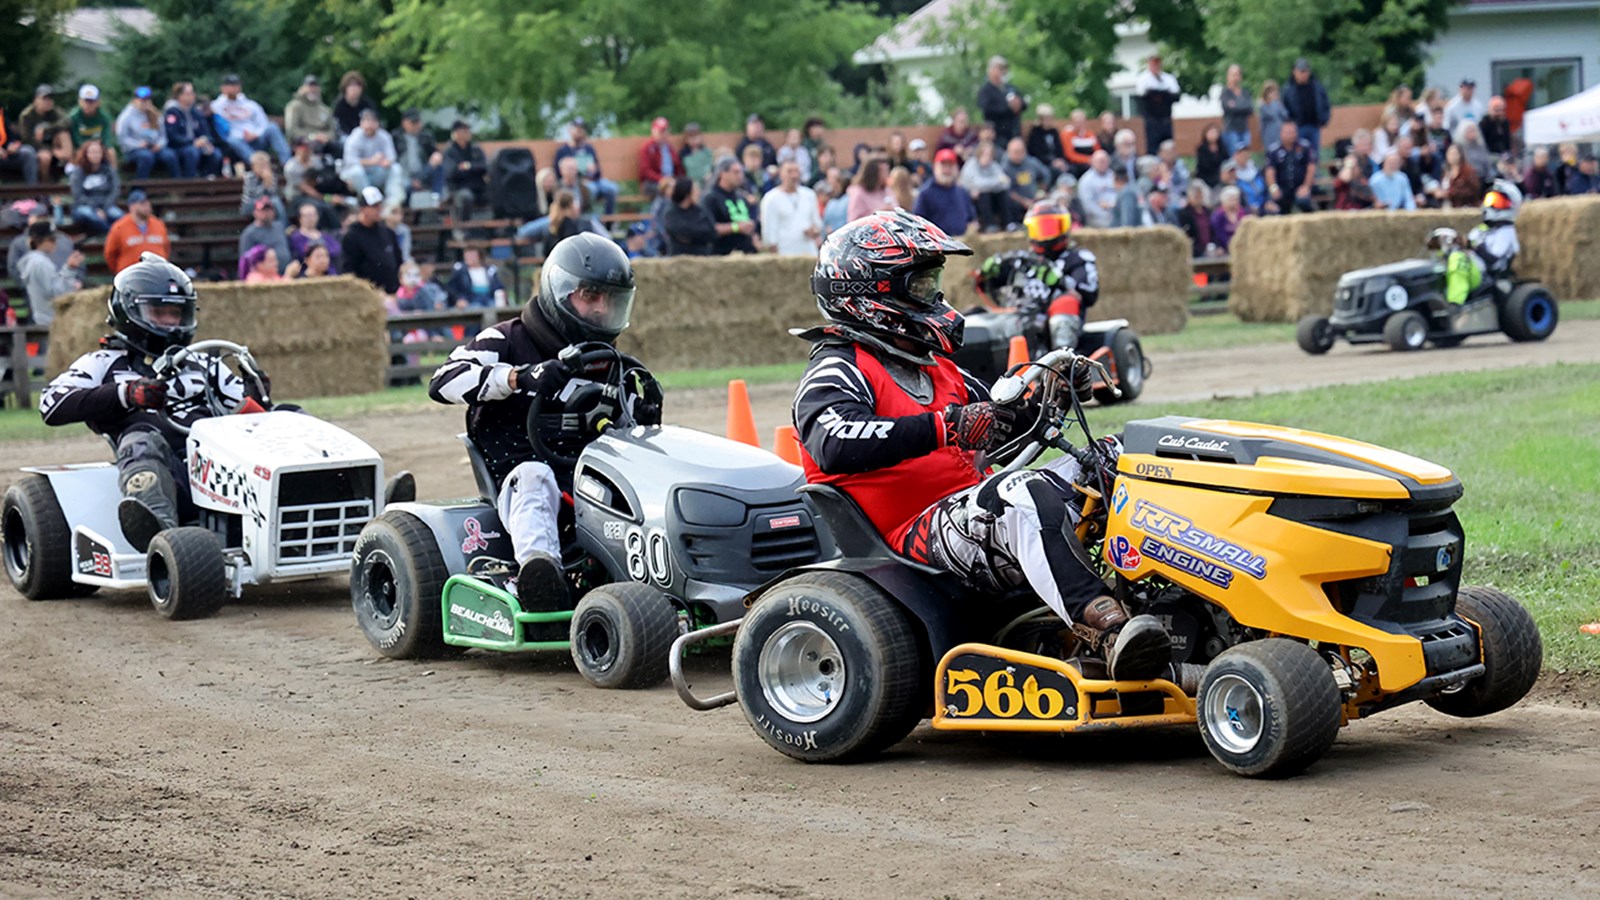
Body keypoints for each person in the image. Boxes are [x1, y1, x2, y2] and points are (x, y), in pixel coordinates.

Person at [794, 209, 1171, 680]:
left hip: (970, 512)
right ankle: (1109, 630)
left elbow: (1003, 425)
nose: (934, 296)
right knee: (1022, 493)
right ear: (871, 293)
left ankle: (1181, 601)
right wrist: (947, 426)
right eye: (921, 285)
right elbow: (832, 440)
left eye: (934, 282)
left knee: (1120, 457)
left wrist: (1050, 395)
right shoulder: (837, 368)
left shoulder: (937, 367)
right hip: (908, 534)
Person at [428, 234, 659, 608]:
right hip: (519, 473)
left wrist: (643, 419)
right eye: (590, 296)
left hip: (587, 477)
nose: (601, 309)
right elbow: (443, 381)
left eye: (610, 299)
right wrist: (518, 378)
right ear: (561, 291)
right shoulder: (506, 339)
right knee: (536, 477)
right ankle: (540, 573)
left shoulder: (609, 360)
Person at [38, 254, 272, 553]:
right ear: (128, 311)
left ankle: (330, 511)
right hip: (171, 474)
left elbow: (252, 417)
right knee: (142, 439)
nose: (171, 323)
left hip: (229, 470)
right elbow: (51, 404)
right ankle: (161, 535)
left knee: (292, 416)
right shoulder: (103, 363)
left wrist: (259, 395)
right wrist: (125, 394)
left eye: (176, 314)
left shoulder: (205, 362)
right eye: (159, 313)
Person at [975, 201, 1100, 352]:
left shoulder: (1077, 257)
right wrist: (986, 274)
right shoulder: (1020, 260)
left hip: (1048, 323)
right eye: (1041, 228)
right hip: (1017, 315)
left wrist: (1060, 281)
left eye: (1051, 227)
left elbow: (1090, 292)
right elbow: (984, 287)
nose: (1046, 235)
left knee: (1066, 302)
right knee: (974, 314)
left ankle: (1063, 360)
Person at [15, 221, 85, 327]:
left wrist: (68, 269)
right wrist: (69, 271)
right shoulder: (40, 263)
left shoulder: (35, 261)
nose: (55, 243)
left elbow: (54, 285)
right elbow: (58, 294)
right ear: (39, 241)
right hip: (50, 322)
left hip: (45, 320)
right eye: (52, 239)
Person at [214, 75, 290, 164]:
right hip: (236, 142)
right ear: (223, 88)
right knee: (232, 140)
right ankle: (258, 164)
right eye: (230, 85)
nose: (234, 88)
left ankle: (287, 163)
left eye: (236, 85)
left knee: (272, 127)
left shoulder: (251, 105)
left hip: (256, 139)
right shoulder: (216, 106)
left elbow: (263, 123)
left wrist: (256, 134)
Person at [343, 186, 404, 293]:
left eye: (380, 205)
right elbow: (349, 270)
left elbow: (398, 260)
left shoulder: (387, 232)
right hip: (368, 295)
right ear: (362, 208)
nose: (379, 209)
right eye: (374, 206)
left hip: (392, 292)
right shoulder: (352, 236)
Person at [554, 118, 619, 215]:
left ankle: (608, 222)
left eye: (582, 129)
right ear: (570, 130)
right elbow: (558, 172)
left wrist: (593, 171)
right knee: (589, 190)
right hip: (577, 183)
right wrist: (578, 175)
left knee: (612, 188)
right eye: (577, 129)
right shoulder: (564, 151)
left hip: (594, 180)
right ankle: (588, 216)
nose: (580, 131)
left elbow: (598, 171)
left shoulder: (589, 148)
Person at [162, 82, 225, 178]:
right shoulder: (172, 112)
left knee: (216, 153)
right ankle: (189, 181)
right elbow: (172, 135)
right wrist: (192, 142)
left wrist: (205, 139)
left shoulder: (195, 112)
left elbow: (206, 131)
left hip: (197, 144)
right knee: (192, 152)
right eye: (188, 94)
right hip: (178, 146)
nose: (192, 96)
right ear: (180, 96)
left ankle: (209, 179)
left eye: (192, 93)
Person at [342, 108, 402, 207]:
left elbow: (391, 157)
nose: (369, 124)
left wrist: (386, 162)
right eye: (366, 121)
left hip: (377, 172)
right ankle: (370, 202)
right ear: (361, 123)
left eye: (372, 121)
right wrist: (370, 161)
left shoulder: (384, 136)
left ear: (377, 123)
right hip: (357, 175)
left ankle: (393, 202)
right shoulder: (354, 137)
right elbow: (349, 160)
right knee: (356, 171)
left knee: (396, 168)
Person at [760, 160, 822, 256]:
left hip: (809, 253)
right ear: (781, 174)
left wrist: (814, 231)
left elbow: (817, 224)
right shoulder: (771, 199)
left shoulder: (809, 195)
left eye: (796, 171)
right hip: (785, 255)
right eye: (789, 171)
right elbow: (769, 233)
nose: (794, 176)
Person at [116, 87, 180, 179]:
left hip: (154, 147)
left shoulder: (155, 114)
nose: (144, 102)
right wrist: (138, 144)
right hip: (134, 150)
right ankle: (139, 187)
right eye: (141, 100)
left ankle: (177, 185)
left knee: (170, 155)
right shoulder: (126, 116)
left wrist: (159, 145)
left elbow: (163, 136)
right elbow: (122, 139)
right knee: (146, 157)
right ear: (135, 100)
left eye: (147, 100)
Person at [912, 149, 976, 238]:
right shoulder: (925, 194)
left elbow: (971, 220)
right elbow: (917, 226)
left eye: (950, 166)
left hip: (962, 244)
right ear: (935, 167)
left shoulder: (962, 192)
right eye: (943, 166)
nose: (947, 170)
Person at [104, 190, 171, 274]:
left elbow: (166, 249)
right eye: (142, 203)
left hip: (157, 276)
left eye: (147, 202)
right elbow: (110, 254)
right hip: (130, 277)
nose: (147, 206)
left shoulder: (158, 224)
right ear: (132, 206)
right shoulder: (119, 227)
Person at [702, 159, 758, 255]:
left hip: (746, 252)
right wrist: (736, 227)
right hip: (722, 254)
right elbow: (708, 228)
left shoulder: (741, 197)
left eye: (741, 172)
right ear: (722, 174)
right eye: (736, 172)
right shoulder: (711, 198)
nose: (740, 176)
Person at [68, 141, 121, 236]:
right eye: (92, 152)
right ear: (86, 154)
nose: (95, 155)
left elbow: (115, 190)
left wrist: (104, 208)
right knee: (91, 216)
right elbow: (78, 195)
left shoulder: (109, 170)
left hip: (106, 205)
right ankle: (112, 234)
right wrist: (96, 209)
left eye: (98, 152)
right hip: (84, 205)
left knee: (120, 216)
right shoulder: (78, 172)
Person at [19, 85, 72, 179]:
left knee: (64, 134)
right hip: (36, 147)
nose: (48, 101)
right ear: (36, 100)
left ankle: (70, 175)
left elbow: (67, 122)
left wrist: (46, 129)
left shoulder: (54, 111)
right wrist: (50, 150)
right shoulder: (26, 116)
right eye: (44, 98)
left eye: (50, 98)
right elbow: (26, 138)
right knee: (45, 157)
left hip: (53, 144)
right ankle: (44, 186)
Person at [1470, 179, 1521, 276]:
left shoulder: (1506, 232)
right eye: (1489, 200)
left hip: (1485, 277)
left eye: (1497, 201)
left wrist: (1478, 248)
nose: (1490, 205)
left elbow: (1494, 262)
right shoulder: (1483, 229)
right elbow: (1470, 240)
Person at [442, 120, 489, 223]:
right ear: (456, 133)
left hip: (477, 186)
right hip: (458, 188)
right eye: (464, 130)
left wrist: (468, 167)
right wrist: (473, 170)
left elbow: (484, 167)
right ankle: (463, 227)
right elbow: (452, 172)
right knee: (466, 197)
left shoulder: (475, 149)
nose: (468, 133)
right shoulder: (449, 151)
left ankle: (494, 228)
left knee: (494, 193)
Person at [393, 108, 445, 202]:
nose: (416, 125)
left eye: (417, 122)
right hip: (403, 175)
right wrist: (411, 180)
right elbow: (393, 161)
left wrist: (436, 156)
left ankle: (437, 197)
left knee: (438, 166)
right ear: (404, 123)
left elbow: (435, 153)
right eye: (413, 122)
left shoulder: (426, 136)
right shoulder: (396, 137)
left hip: (422, 173)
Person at [1264, 121, 1316, 214]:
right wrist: (1273, 188)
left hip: (1300, 187)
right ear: (1281, 133)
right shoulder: (1273, 150)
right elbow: (1270, 171)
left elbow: (1311, 168)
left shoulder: (1305, 147)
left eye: (1293, 132)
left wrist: (1306, 186)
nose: (1291, 135)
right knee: (1271, 207)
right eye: (1287, 132)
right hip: (1281, 188)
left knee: (1304, 202)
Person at [1135, 54, 1181, 153]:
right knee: (1153, 146)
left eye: (1157, 63)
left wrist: (1159, 95)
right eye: (1153, 63)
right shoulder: (1143, 79)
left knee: (1168, 145)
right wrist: (1161, 94)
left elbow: (1175, 95)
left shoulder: (1169, 78)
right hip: (1151, 119)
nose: (1155, 66)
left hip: (1166, 118)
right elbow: (1143, 96)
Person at [1283, 59, 1330, 154]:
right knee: (1299, 154)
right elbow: (1284, 108)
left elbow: (1326, 104)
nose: (1303, 74)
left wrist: (1324, 120)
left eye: (1305, 71)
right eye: (1300, 71)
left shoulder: (1317, 86)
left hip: (1314, 126)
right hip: (1297, 128)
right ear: (1294, 72)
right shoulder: (1288, 90)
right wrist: (1290, 124)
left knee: (1314, 155)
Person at [1001, 137, 1052, 226]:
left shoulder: (1032, 162)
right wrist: (1024, 201)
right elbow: (1007, 190)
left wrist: (1041, 190)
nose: (1017, 155)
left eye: (1020, 152)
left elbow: (1046, 174)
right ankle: (1013, 225)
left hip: (1034, 197)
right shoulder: (1005, 168)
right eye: (1014, 152)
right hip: (1017, 200)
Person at [660, 177, 716, 256]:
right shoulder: (671, 213)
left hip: (702, 255)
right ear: (687, 193)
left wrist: (693, 238)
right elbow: (681, 231)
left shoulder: (700, 210)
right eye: (695, 190)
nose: (699, 193)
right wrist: (699, 235)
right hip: (680, 257)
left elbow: (712, 231)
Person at [1426, 228, 1482, 306]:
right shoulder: (1457, 256)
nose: (1436, 252)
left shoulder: (1457, 258)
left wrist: (1454, 306)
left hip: (1468, 301)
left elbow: (1458, 284)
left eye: (1437, 247)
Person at [69, 85, 118, 165]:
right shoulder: (74, 117)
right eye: (86, 101)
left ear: (97, 102)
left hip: (98, 146)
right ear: (80, 101)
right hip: (80, 147)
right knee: (77, 153)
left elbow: (107, 138)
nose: (88, 104)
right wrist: (87, 146)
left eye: (91, 101)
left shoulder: (104, 117)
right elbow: (74, 138)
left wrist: (99, 145)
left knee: (111, 152)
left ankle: (113, 175)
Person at [288, 201, 342, 273]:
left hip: (330, 273)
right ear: (300, 218)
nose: (310, 218)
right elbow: (302, 253)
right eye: (307, 215)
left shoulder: (326, 236)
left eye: (313, 215)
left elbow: (337, 250)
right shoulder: (295, 238)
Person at [284, 75, 336, 149]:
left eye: (315, 86)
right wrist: (313, 136)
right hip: (302, 142)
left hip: (324, 141)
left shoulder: (325, 109)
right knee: (315, 146)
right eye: (309, 86)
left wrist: (326, 136)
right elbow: (292, 131)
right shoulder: (294, 107)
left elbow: (332, 130)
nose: (312, 89)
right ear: (303, 88)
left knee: (340, 147)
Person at [637, 117, 680, 199]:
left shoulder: (670, 148)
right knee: (668, 190)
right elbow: (645, 171)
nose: (663, 134)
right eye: (660, 132)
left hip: (671, 181)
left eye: (665, 131)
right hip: (652, 183)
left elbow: (678, 167)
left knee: (684, 189)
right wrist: (662, 179)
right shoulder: (647, 148)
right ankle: (659, 211)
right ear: (653, 132)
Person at [0, 105, 42, 184]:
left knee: (28, 152)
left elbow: (11, 135)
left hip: (5, 154)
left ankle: (32, 192)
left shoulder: (1, 113)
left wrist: (12, 144)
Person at [1076, 150, 1117, 228]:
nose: (1102, 164)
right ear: (1092, 162)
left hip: (1115, 212)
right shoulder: (1086, 180)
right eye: (1100, 161)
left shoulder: (1114, 176)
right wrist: (1105, 215)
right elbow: (1087, 204)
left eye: (1104, 161)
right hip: (1097, 217)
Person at [1219, 64, 1253, 154]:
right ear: (1228, 76)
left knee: (1246, 154)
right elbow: (1227, 108)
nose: (1235, 77)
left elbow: (1250, 109)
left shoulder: (1245, 92)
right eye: (1233, 74)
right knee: (1234, 156)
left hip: (1244, 129)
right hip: (1231, 130)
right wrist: (1241, 107)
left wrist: (1235, 106)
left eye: (1237, 74)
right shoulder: (1225, 92)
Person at [332, 72, 377, 137]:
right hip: (345, 136)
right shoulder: (339, 105)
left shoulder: (367, 104)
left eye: (357, 85)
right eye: (351, 85)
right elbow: (337, 125)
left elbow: (374, 121)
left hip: (366, 136)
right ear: (345, 88)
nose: (354, 89)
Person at [1059, 108, 1099, 178]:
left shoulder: (1090, 134)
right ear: (1072, 121)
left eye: (1081, 121)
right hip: (1074, 163)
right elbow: (1069, 155)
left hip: (1091, 162)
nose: (1079, 123)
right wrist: (1087, 160)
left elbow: (1097, 150)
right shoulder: (1066, 134)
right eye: (1076, 121)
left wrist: (1095, 160)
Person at [1209, 185, 1250, 252]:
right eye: (1232, 200)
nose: (1235, 202)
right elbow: (1218, 235)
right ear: (1224, 201)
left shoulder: (1244, 213)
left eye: (1236, 199)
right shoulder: (1218, 216)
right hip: (1224, 249)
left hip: (1242, 248)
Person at [1257, 80, 1287, 153]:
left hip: (1280, 132)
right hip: (1269, 133)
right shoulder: (1263, 105)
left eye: (1274, 91)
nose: (1272, 93)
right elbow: (1273, 115)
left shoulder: (1278, 103)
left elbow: (1285, 115)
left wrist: (1278, 103)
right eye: (1270, 91)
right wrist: (1274, 102)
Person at [1195, 124, 1226, 190]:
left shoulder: (1222, 148)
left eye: (1215, 132)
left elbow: (1226, 160)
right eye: (1211, 133)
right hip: (1205, 176)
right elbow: (1202, 165)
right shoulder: (1201, 149)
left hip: (1219, 175)